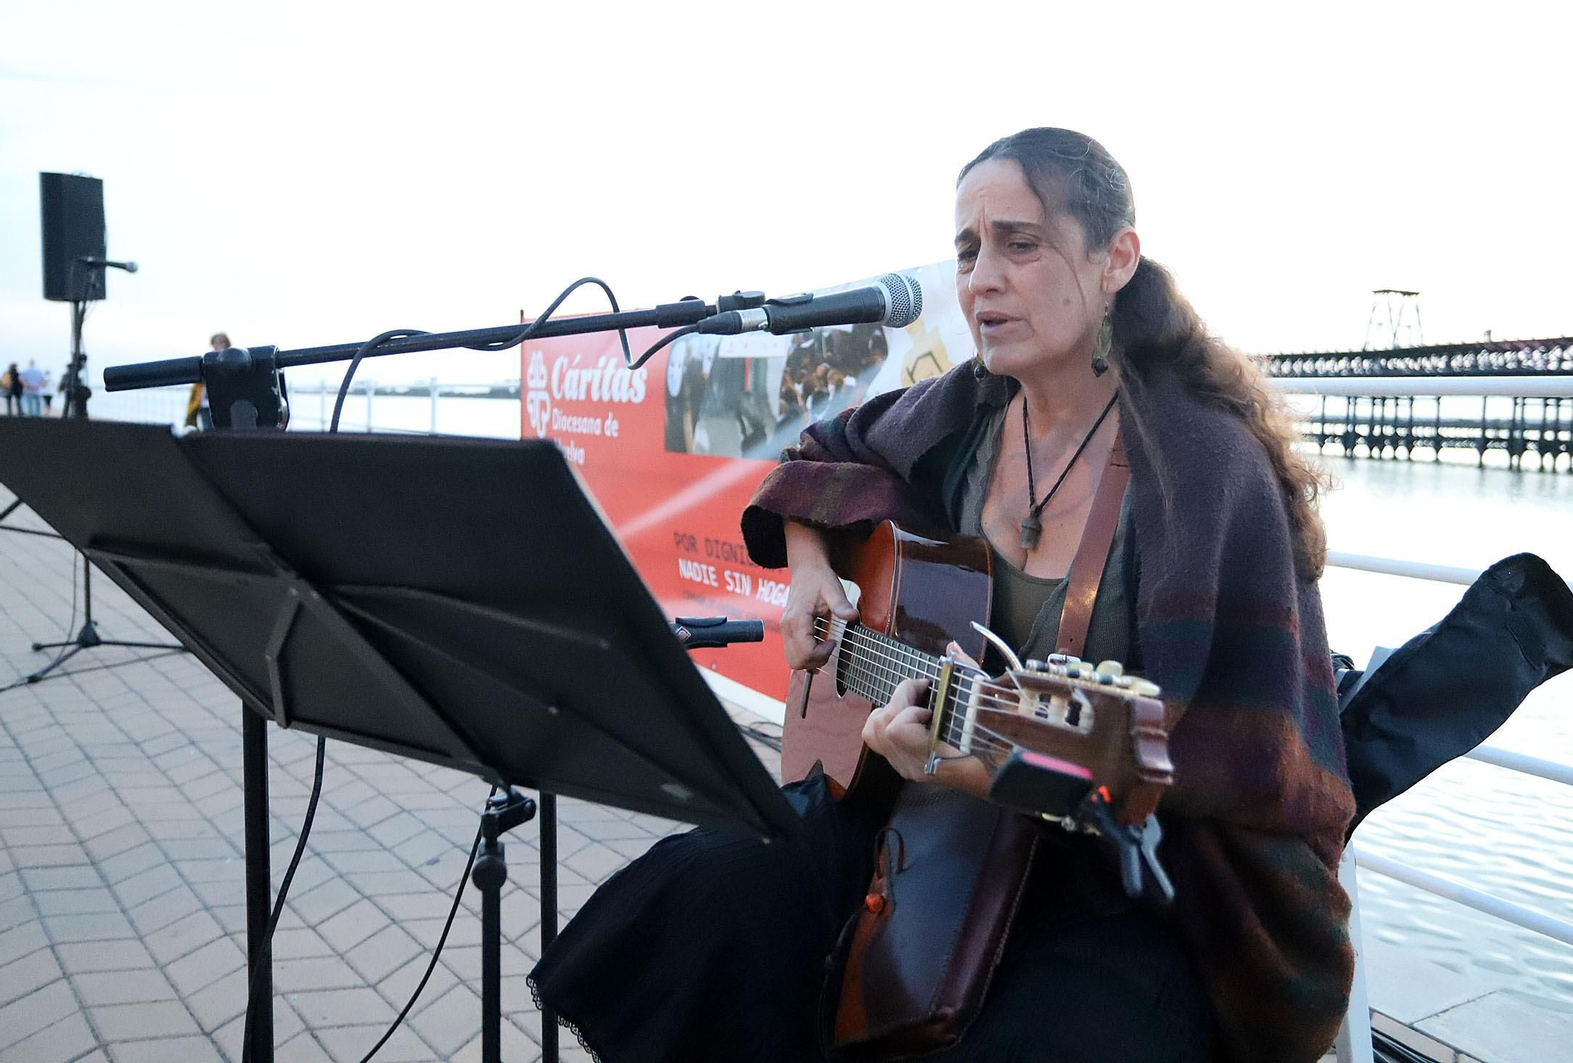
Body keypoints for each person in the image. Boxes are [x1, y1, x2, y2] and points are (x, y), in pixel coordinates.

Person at [530, 129, 1356, 1063]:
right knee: (701, 895)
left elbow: (1241, 751)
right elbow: (817, 456)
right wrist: (810, 568)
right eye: (968, 251)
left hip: (1125, 880)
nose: (981, 279)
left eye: (1020, 243)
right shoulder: (966, 409)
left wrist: (987, 761)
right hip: (928, 819)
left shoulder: (1204, 468)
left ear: (1116, 256)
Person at [186, 332, 228, 429]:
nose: (218, 345)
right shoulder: (207, 359)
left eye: (221, 342)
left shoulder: (232, 358)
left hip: (223, 402)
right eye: (216, 342)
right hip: (205, 403)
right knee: (207, 429)